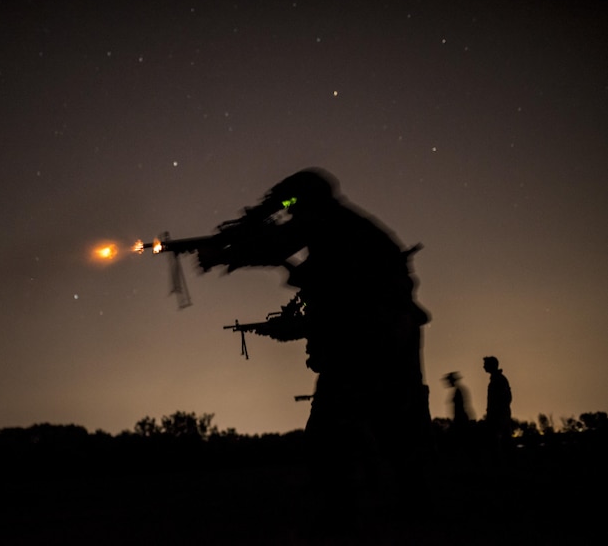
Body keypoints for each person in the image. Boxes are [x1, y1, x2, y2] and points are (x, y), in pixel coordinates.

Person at [197, 168, 432, 527]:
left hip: (372, 334)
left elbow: (279, 246)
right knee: (392, 420)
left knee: (333, 426)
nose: (288, 210)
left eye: (292, 203)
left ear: (309, 198)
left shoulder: (327, 220)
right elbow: (332, 294)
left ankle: (343, 513)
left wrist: (225, 253)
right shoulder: (350, 230)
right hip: (392, 331)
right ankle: (409, 505)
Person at [483, 356, 512, 461]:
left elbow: (506, 398)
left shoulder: (498, 380)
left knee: (499, 444)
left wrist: (497, 414)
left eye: (485, 364)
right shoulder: (498, 379)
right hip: (498, 417)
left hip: (499, 418)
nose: (483, 367)